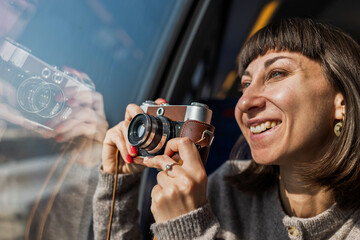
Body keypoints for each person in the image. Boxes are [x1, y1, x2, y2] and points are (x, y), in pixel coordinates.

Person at [93, 18, 360, 239]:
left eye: (276, 73)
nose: (244, 102)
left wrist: (188, 227)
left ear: (342, 102)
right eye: (244, 85)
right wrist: (119, 187)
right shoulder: (228, 188)